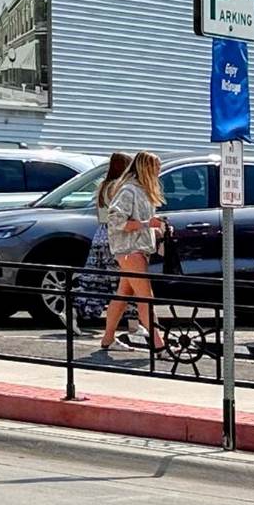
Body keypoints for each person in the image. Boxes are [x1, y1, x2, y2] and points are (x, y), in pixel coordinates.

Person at [95, 149, 164, 355]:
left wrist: (152, 227)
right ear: (146, 168)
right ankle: (159, 345)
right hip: (130, 249)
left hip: (133, 249)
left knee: (123, 294)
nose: (159, 171)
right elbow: (116, 221)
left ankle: (108, 338)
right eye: (156, 167)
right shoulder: (129, 191)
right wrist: (147, 224)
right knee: (145, 297)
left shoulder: (138, 190)